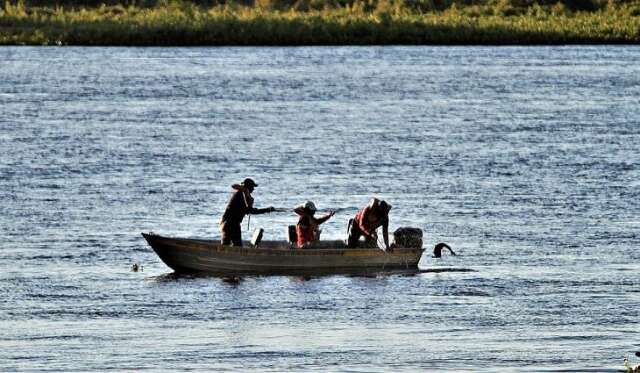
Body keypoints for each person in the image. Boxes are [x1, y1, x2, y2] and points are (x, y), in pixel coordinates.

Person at [220, 178, 275, 246]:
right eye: (252, 187)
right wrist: (267, 210)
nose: (253, 189)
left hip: (227, 223)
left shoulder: (243, 195)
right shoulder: (241, 195)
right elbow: (250, 211)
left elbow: (248, 210)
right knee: (237, 246)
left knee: (226, 246)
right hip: (231, 224)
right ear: (248, 187)